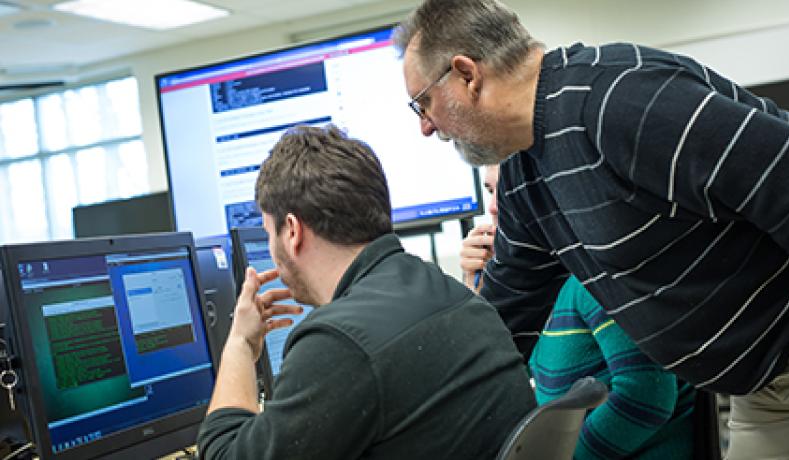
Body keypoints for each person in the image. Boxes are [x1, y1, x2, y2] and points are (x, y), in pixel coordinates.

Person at [395, 1, 789, 458]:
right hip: (760, 379)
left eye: (423, 103)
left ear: (467, 74)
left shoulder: (618, 99)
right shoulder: (525, 174)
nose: (425, 127)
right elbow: (511, 311)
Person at [196, 125, 536, 459]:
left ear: (293, 231)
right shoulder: (445, 290)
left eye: (270, 233)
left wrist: (240, 344)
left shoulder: (338, 342)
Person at [462, 165, 694, 459]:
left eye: (506, 188)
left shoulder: (598, 278)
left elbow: (646, 398)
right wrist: (480, 289)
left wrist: (564, 456)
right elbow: (512, 381)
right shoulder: (543, 292)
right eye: (490, 190)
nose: (494, 206)